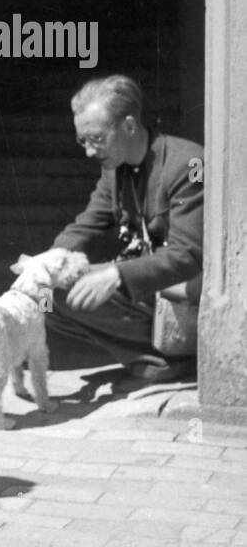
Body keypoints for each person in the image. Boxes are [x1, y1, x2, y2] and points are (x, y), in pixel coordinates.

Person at [45, 74, 203, 384]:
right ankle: (155, 359)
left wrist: (116, 276)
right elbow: (86, 224)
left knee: (77, 289)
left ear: (129, 126)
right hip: (150, 287)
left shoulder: (189, 164)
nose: (89, 151)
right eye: (82, 140)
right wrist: (47, 262)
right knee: (45, 296)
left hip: (187, 293)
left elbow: (188, 256)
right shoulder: (114, 170)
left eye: (97, 138)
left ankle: (178, 357)